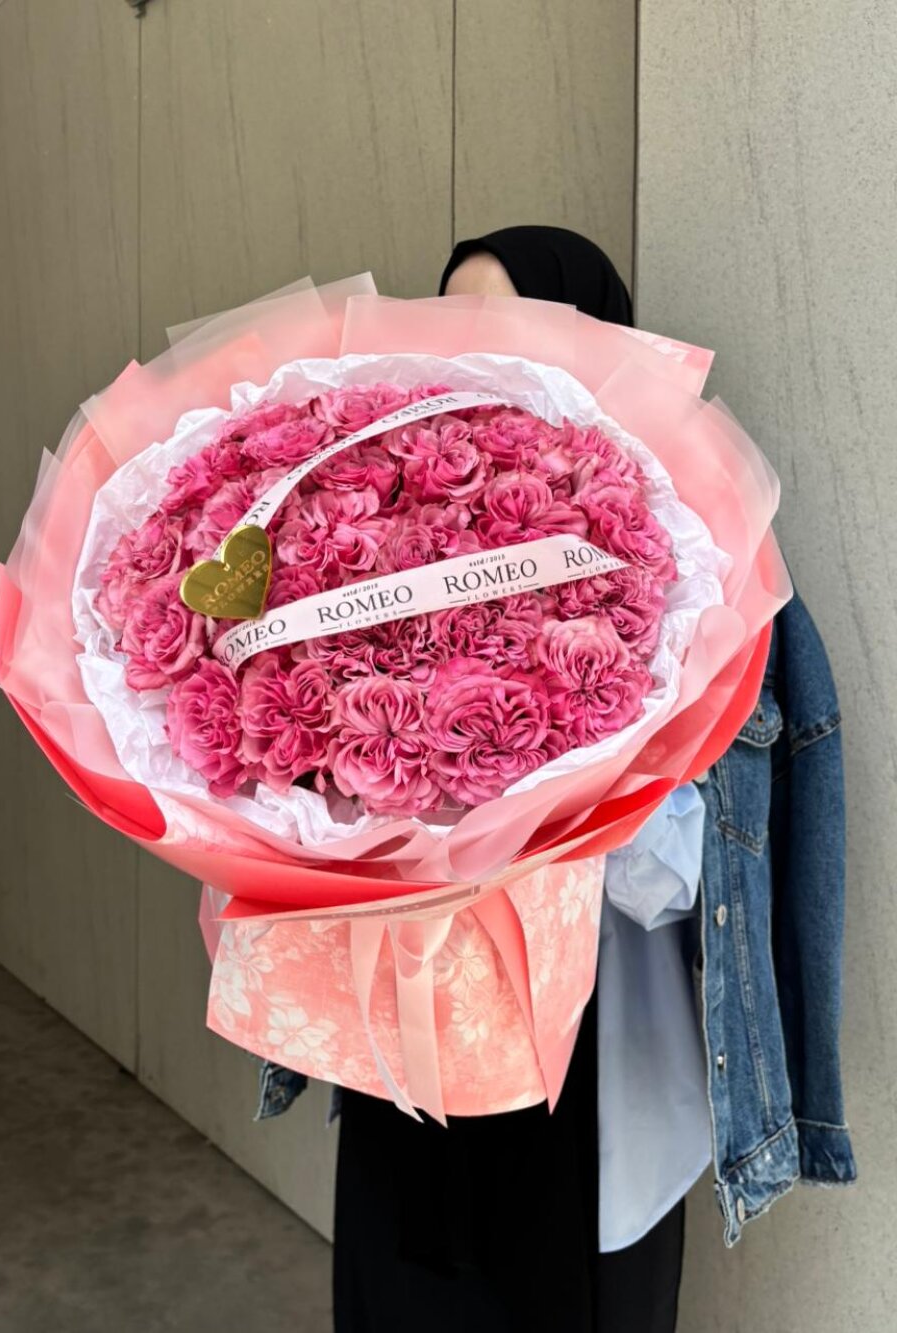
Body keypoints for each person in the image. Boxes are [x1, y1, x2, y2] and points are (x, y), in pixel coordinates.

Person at [256, 226, 856, 1332]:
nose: (478, 354)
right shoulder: (378, 547)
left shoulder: (695, 562)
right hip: (411, 1071)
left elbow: (682, 879)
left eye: (513, 326)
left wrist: (539, 772)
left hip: (592, 1085)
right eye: (453, 324)